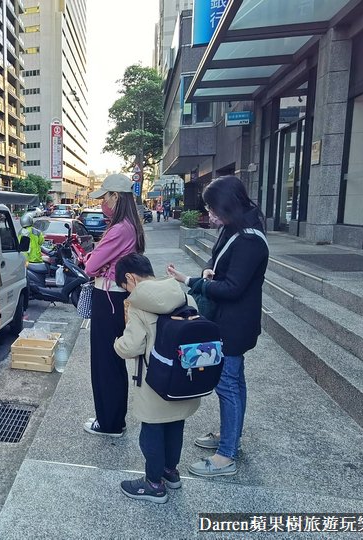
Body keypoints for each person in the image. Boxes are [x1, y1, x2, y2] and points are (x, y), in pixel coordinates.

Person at [166, 176, 269, 477]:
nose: (209, 214)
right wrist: (209, 272)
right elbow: (222, 270)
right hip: (231, 321)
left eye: (213, 208)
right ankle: (230, 438)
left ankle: (226, 455)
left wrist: (191, 281)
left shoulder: (249, 239)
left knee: (227, 385)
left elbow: (233, 288)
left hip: (234, 325)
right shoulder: (235, 229)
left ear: (229, 204)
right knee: (234, 382)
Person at [113, 254, 200, 504]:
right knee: (175, 425)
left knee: (151, 428)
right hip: (184, 379)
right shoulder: (185, 296)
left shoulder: (140, 306)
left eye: (124, 286)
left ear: (130, 278)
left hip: (154, 382)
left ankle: (153, 484)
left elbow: (130, 347)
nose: (126, 291)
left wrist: (116, 342)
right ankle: (171, 473)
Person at [82, 173, 146, 437]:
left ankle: (108, 423)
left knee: (104, 362)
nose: (102, 203)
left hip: (107, 299)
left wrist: (95, 258)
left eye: (104, 197)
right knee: (113, 361)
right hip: (118, 298)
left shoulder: (119, 228)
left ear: (116, 197)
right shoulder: (131, 225)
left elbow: (90, 265)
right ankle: (113, 418)